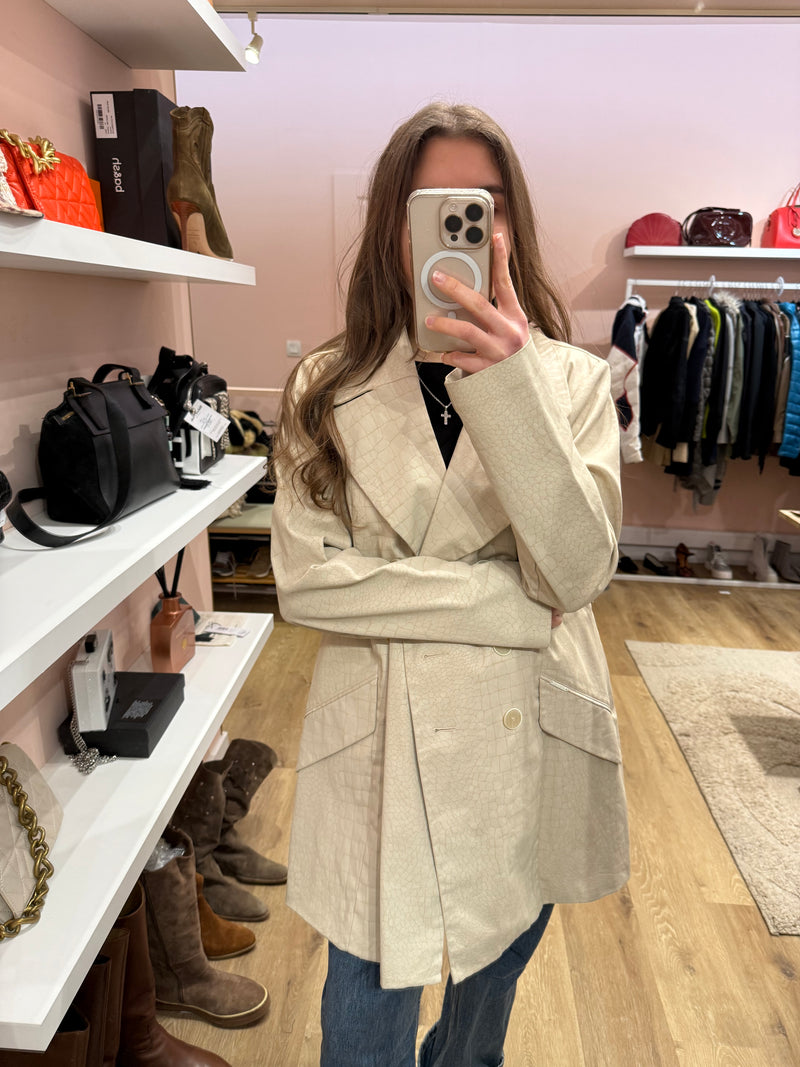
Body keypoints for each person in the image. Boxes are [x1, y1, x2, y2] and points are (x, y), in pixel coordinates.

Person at [271, 102, 629, 1067]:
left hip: (527, 725)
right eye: (433, 205)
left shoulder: (570, 383)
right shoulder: (324, 386)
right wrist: (512, 606)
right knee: (364, 1012)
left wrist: (510, 388)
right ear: (394, 224)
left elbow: (578, 572)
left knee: (490, 987)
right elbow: (307, 585)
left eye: (488, 203)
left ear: (512, 225)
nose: (469, 226)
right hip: (382, 732)